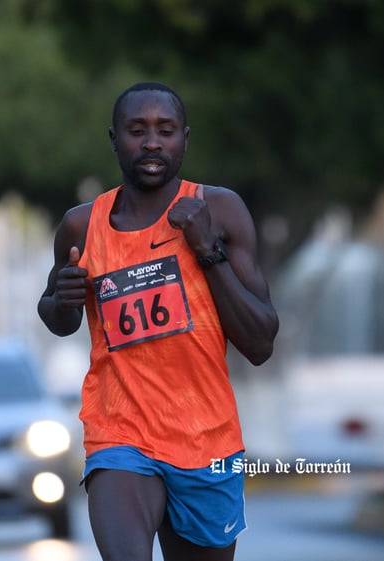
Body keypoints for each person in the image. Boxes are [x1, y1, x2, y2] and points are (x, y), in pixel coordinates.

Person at [38, 81, 279, 561]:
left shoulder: (221, 211)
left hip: (206, 441)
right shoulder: (81, 225)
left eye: (165, 131)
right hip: (119, 434)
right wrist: (62, 300)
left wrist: (207, 250)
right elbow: (58, 315)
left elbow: (260, 342)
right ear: (114, 139)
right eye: (136, 130)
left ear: (185, 139)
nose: (151, 142)